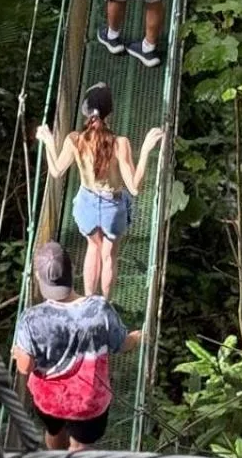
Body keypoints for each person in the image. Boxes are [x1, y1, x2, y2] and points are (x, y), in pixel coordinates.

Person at [12, 240, 140, 458]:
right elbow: (122, 344)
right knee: (83, 453)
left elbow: (24, 367)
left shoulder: (30, 319)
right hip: (88, 403)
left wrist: (17, 351)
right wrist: (138, 337)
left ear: (40, 280)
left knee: (53, 429)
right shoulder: (99, 309)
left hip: (49, 399)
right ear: (71, 273)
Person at [35, 82, 165, 297]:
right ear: (110, 112)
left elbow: (56, 171)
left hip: (87, 203)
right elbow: (134, 188)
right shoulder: (119, 143)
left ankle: (88, 301)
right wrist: (145, 151)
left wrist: (49, 141)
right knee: (108, 255)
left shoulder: (74, 140)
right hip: (112, 208)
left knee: (92, 248)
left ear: (86, 113)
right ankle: (105, 304)